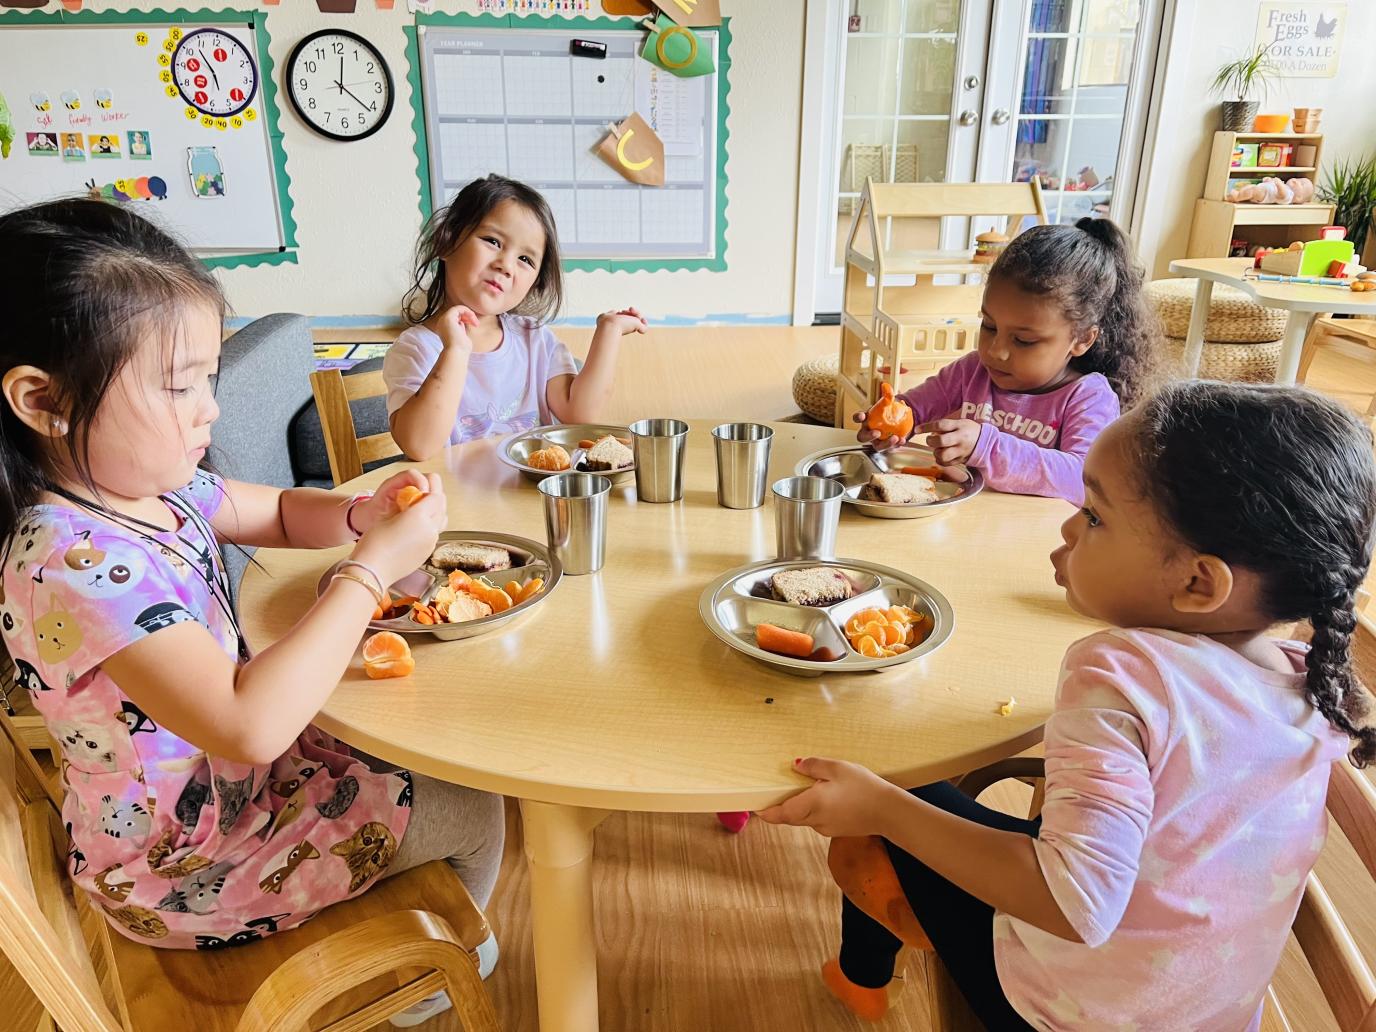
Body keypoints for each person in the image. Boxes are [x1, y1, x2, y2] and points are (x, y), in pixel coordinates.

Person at [0, 199, 505, 1028]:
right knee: (474, 806)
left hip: (229, 790)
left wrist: (353, 517)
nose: (210, 408)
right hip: (178, 864)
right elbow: (248, 723)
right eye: (177, 385)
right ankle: (419, 995)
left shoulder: (143, 485)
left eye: (208, 378)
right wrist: (371, 569)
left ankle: (411, 948)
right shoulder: (73, 563)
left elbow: (268, 510)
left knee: (418, 728)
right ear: (44, 401)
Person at [762, 380, 1375, 1030]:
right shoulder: (1313, 680)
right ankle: (880, 951)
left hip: (1063, 1010)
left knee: (884, 781)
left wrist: (880, 806)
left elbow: (1074, 901)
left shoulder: (1122, 676)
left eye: (1095, 516)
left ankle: (865, 975)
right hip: (1204, 1011)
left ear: (1198, 582)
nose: (1068, 523)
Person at [385, 174, 646, 457]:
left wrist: (609, 330)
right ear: (447, 240)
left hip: (534, 498)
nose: (506, 265)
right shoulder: (415, 348)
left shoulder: (534, 339)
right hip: (456, 500)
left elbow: (580, 414)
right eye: (493, 241)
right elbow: (420, 446)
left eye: (525, 259)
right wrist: (456, 349)